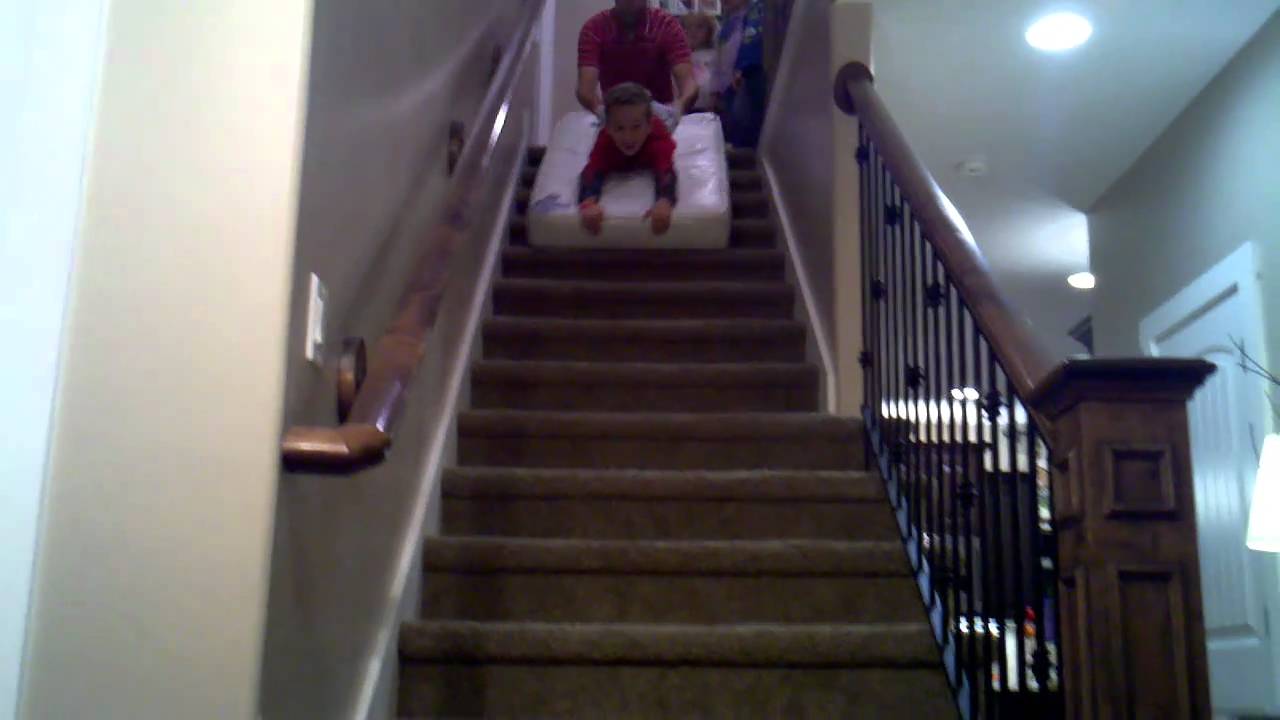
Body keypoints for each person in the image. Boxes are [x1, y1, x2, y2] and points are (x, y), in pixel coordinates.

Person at [577, 0, 699, 130]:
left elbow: (688, 85)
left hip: (659, 120)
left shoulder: (666, 25)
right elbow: (585, 90)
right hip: (615, 119)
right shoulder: (594, 28)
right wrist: (601, 111)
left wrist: (676, 110)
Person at [578, 83, 678, 237]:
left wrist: (664, 202)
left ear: (648, 126)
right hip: (618, 120)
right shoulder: (606, 141)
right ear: (609, 128)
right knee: (606, 114)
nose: (628, 137)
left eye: (636, 127)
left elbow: (666, 173)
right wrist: (589, 202)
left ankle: (659, 107)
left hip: (661, 119)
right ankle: (613, 116)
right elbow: (591, 172)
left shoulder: (657, 139)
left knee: (672, 116)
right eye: (619, 128)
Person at [713, 0, 766, 147]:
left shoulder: (756, 12)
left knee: (744, 117)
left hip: (747, 74)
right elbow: (718, 58)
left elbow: (752, 42)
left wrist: (743, 67)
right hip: (729, 83)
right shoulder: (727, 24)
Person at [679, 13, 719, 112]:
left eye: (699, 27)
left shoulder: (714, 55)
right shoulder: (680, 57)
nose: (693, 31)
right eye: (687, 27)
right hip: (687, 107)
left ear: (710, 31)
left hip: (710, 106)